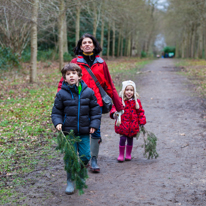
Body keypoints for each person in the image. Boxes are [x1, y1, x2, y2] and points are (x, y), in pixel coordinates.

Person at [57, 33, 123, 172]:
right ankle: (80, 157)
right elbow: (63, 82)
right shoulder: (75, 63)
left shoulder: (101, 63)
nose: (87, 44)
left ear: (94, 45)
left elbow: (109, 85)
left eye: (89, 42)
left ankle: (93, 159)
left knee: (96, 130)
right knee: (79, 129)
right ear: (80, 46)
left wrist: (119, 106)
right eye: (84, 43)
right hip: (78, 103)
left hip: (96, 104)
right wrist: (59, 100)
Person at [52, 63, 101, 194]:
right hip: (69, 132)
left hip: (85, 132)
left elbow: (95, 111)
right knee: (70, 157)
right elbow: (56, 112)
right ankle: (70, 180)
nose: (71, 76)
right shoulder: (61, 94)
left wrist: (94, 125)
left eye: (73, 73)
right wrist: (58, 122)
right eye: (68, 74)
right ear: (64, 78)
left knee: (86, 156)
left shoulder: (88, 92)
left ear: (79, 76)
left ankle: (80, 171)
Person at [110, 80, 146, 162]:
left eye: (131, 90)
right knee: (122, 139)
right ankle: (121, 154)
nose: (129, 92)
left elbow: (140, 112)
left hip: (133, 125)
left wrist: (142, 121)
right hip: (122, 124)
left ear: (134, 91)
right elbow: (114, 108)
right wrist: (113, 114)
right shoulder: (120, 101)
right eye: (127, 90)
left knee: (130, 139)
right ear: (123, 91)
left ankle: (128, 154)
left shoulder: (136, 102)